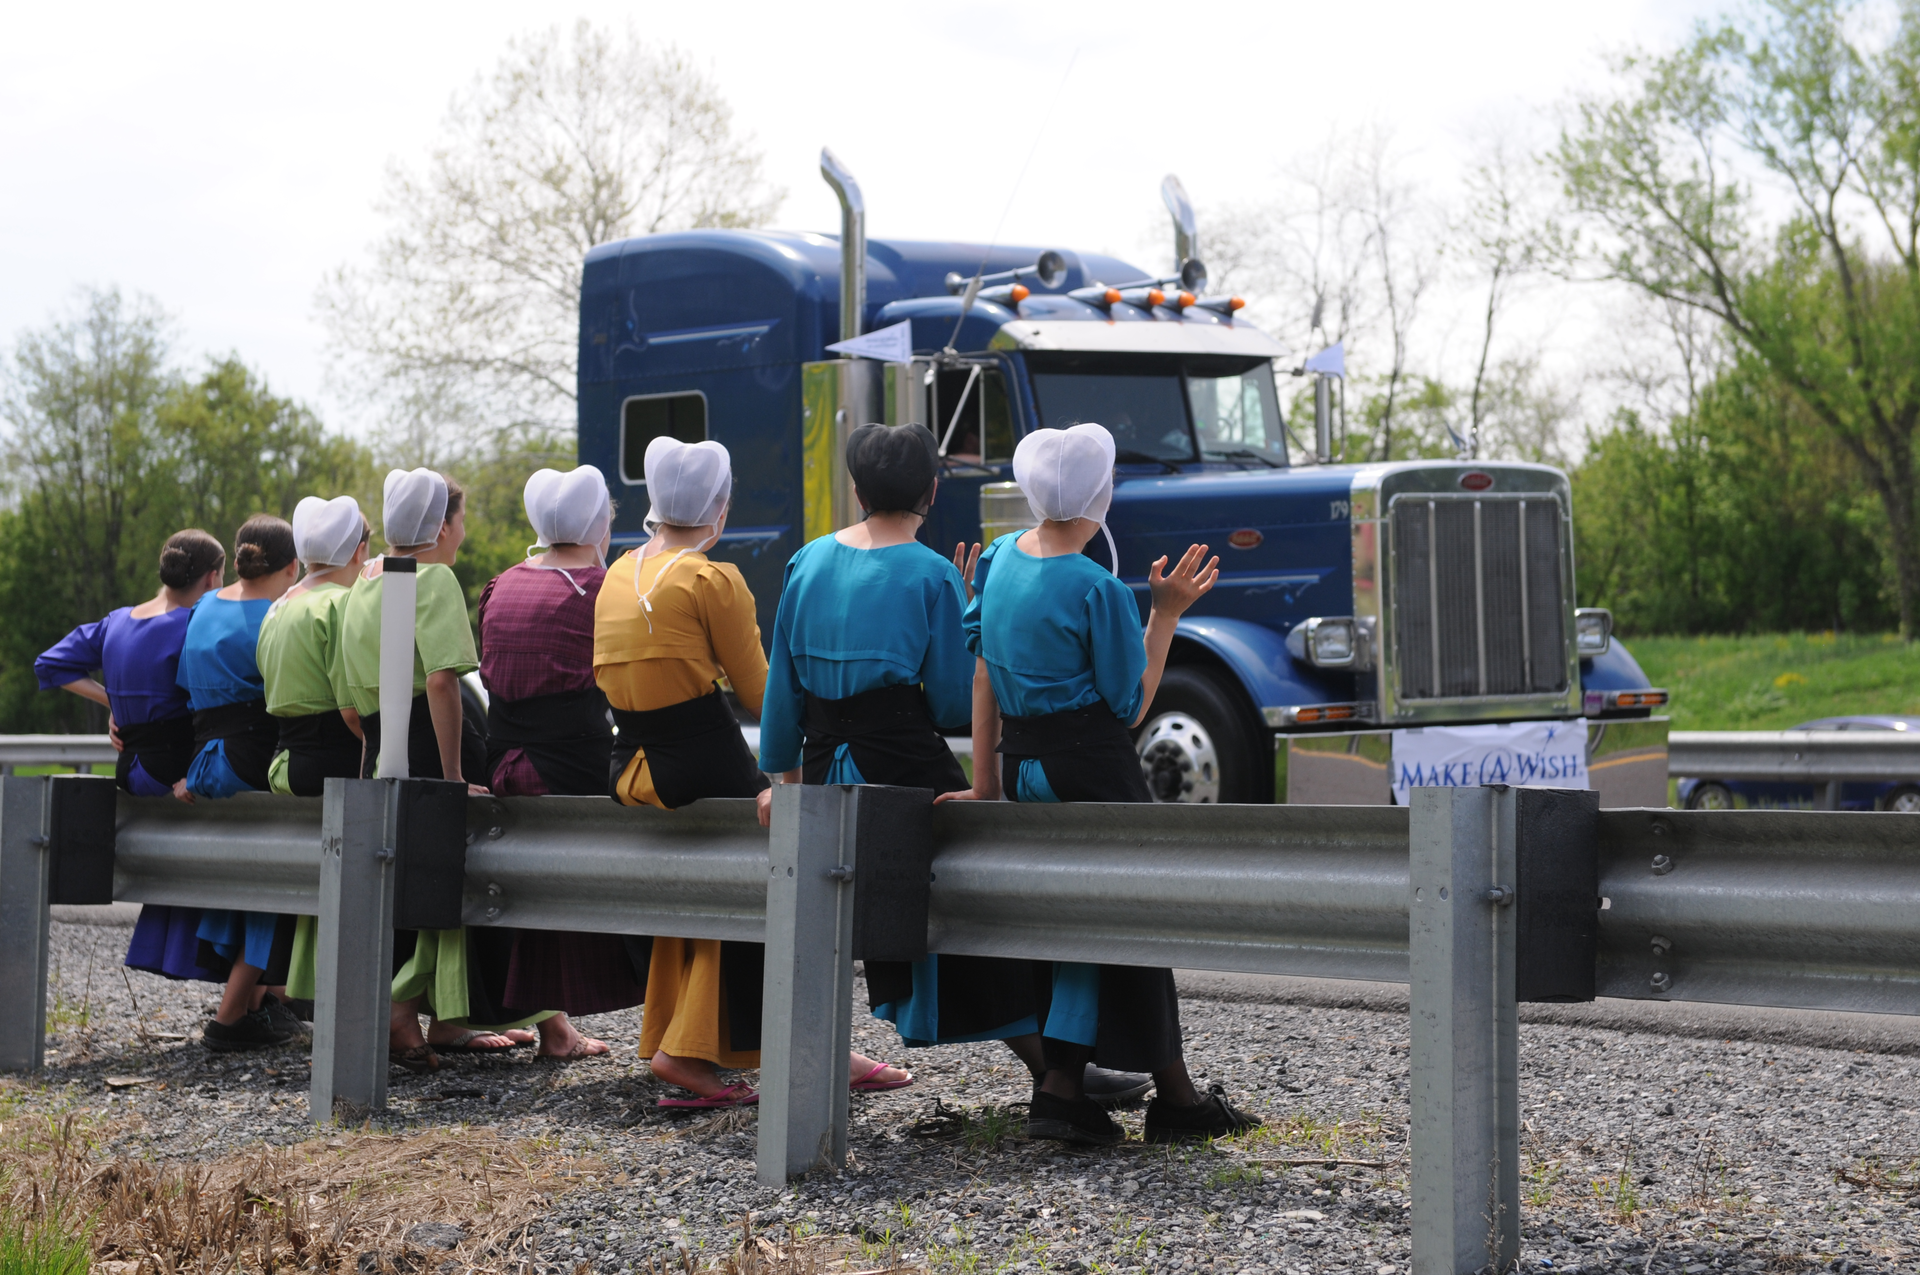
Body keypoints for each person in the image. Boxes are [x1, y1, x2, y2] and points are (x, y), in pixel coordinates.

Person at [755, 422, 1150, 1107]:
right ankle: (1057, 1072)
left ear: (856, 490)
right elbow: (947, 702)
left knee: (825, 922)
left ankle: (1050, 1074)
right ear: (933, 492)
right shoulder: (933, 572)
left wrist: (784, 784)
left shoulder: (806, 561)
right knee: (977, 908)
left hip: (822, 769)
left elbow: (783, 690)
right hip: (902, 767)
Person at [941, 422, 1261, 1146]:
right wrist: (1166, 613)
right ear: (1101, 495)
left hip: (1023, 767)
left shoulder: (999, 561)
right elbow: (1130, 706)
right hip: (1091, 768)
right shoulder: (1098, 587)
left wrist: (985, 782)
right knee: (1129, 921)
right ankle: (1173, 1099)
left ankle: (1064, 1089)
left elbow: (983, 668)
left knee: (1066, 925)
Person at [595, 436, 909, 1108]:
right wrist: (791, 779)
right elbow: (764, 693)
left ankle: (687, 1044)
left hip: (630, 766)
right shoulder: (711, 578)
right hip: (702, 760)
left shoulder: (617, 574)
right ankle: (809, 1048)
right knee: (788, 893)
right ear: (719, 505)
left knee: (708, 905)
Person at [339, 468, 551, 1072]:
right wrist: (454, 772)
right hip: (429, 752)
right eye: (459, 521)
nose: (462, 532)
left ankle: (441, 1019)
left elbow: (350, 704)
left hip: (380, 748)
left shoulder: (362, 583)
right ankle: (406, 1014)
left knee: (405, 890)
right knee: (449, 889)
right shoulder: (432, 580)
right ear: (440, 527)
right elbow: (440, 680)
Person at [473, 465, 628, 1060]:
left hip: (501, 763)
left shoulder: (499, 585)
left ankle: (556, 1030)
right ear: (598, 525)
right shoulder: (600, 589)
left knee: (531, 897)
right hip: (572, 767)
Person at [36, 530, 226, 985]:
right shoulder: (194, 623)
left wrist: (115, 702)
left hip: (132, 769)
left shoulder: (117, 621)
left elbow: (50, 664)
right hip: (174, 769)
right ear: (212, 577)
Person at [172, 514, 304, 1051]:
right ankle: (229, 1018)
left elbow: (186, 685)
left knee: (252, 880)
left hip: (207, 759)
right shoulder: (275, 613)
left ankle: (256, 1004)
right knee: (280, 881)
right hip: (252, 757)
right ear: (292, 566)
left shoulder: (205, 605)